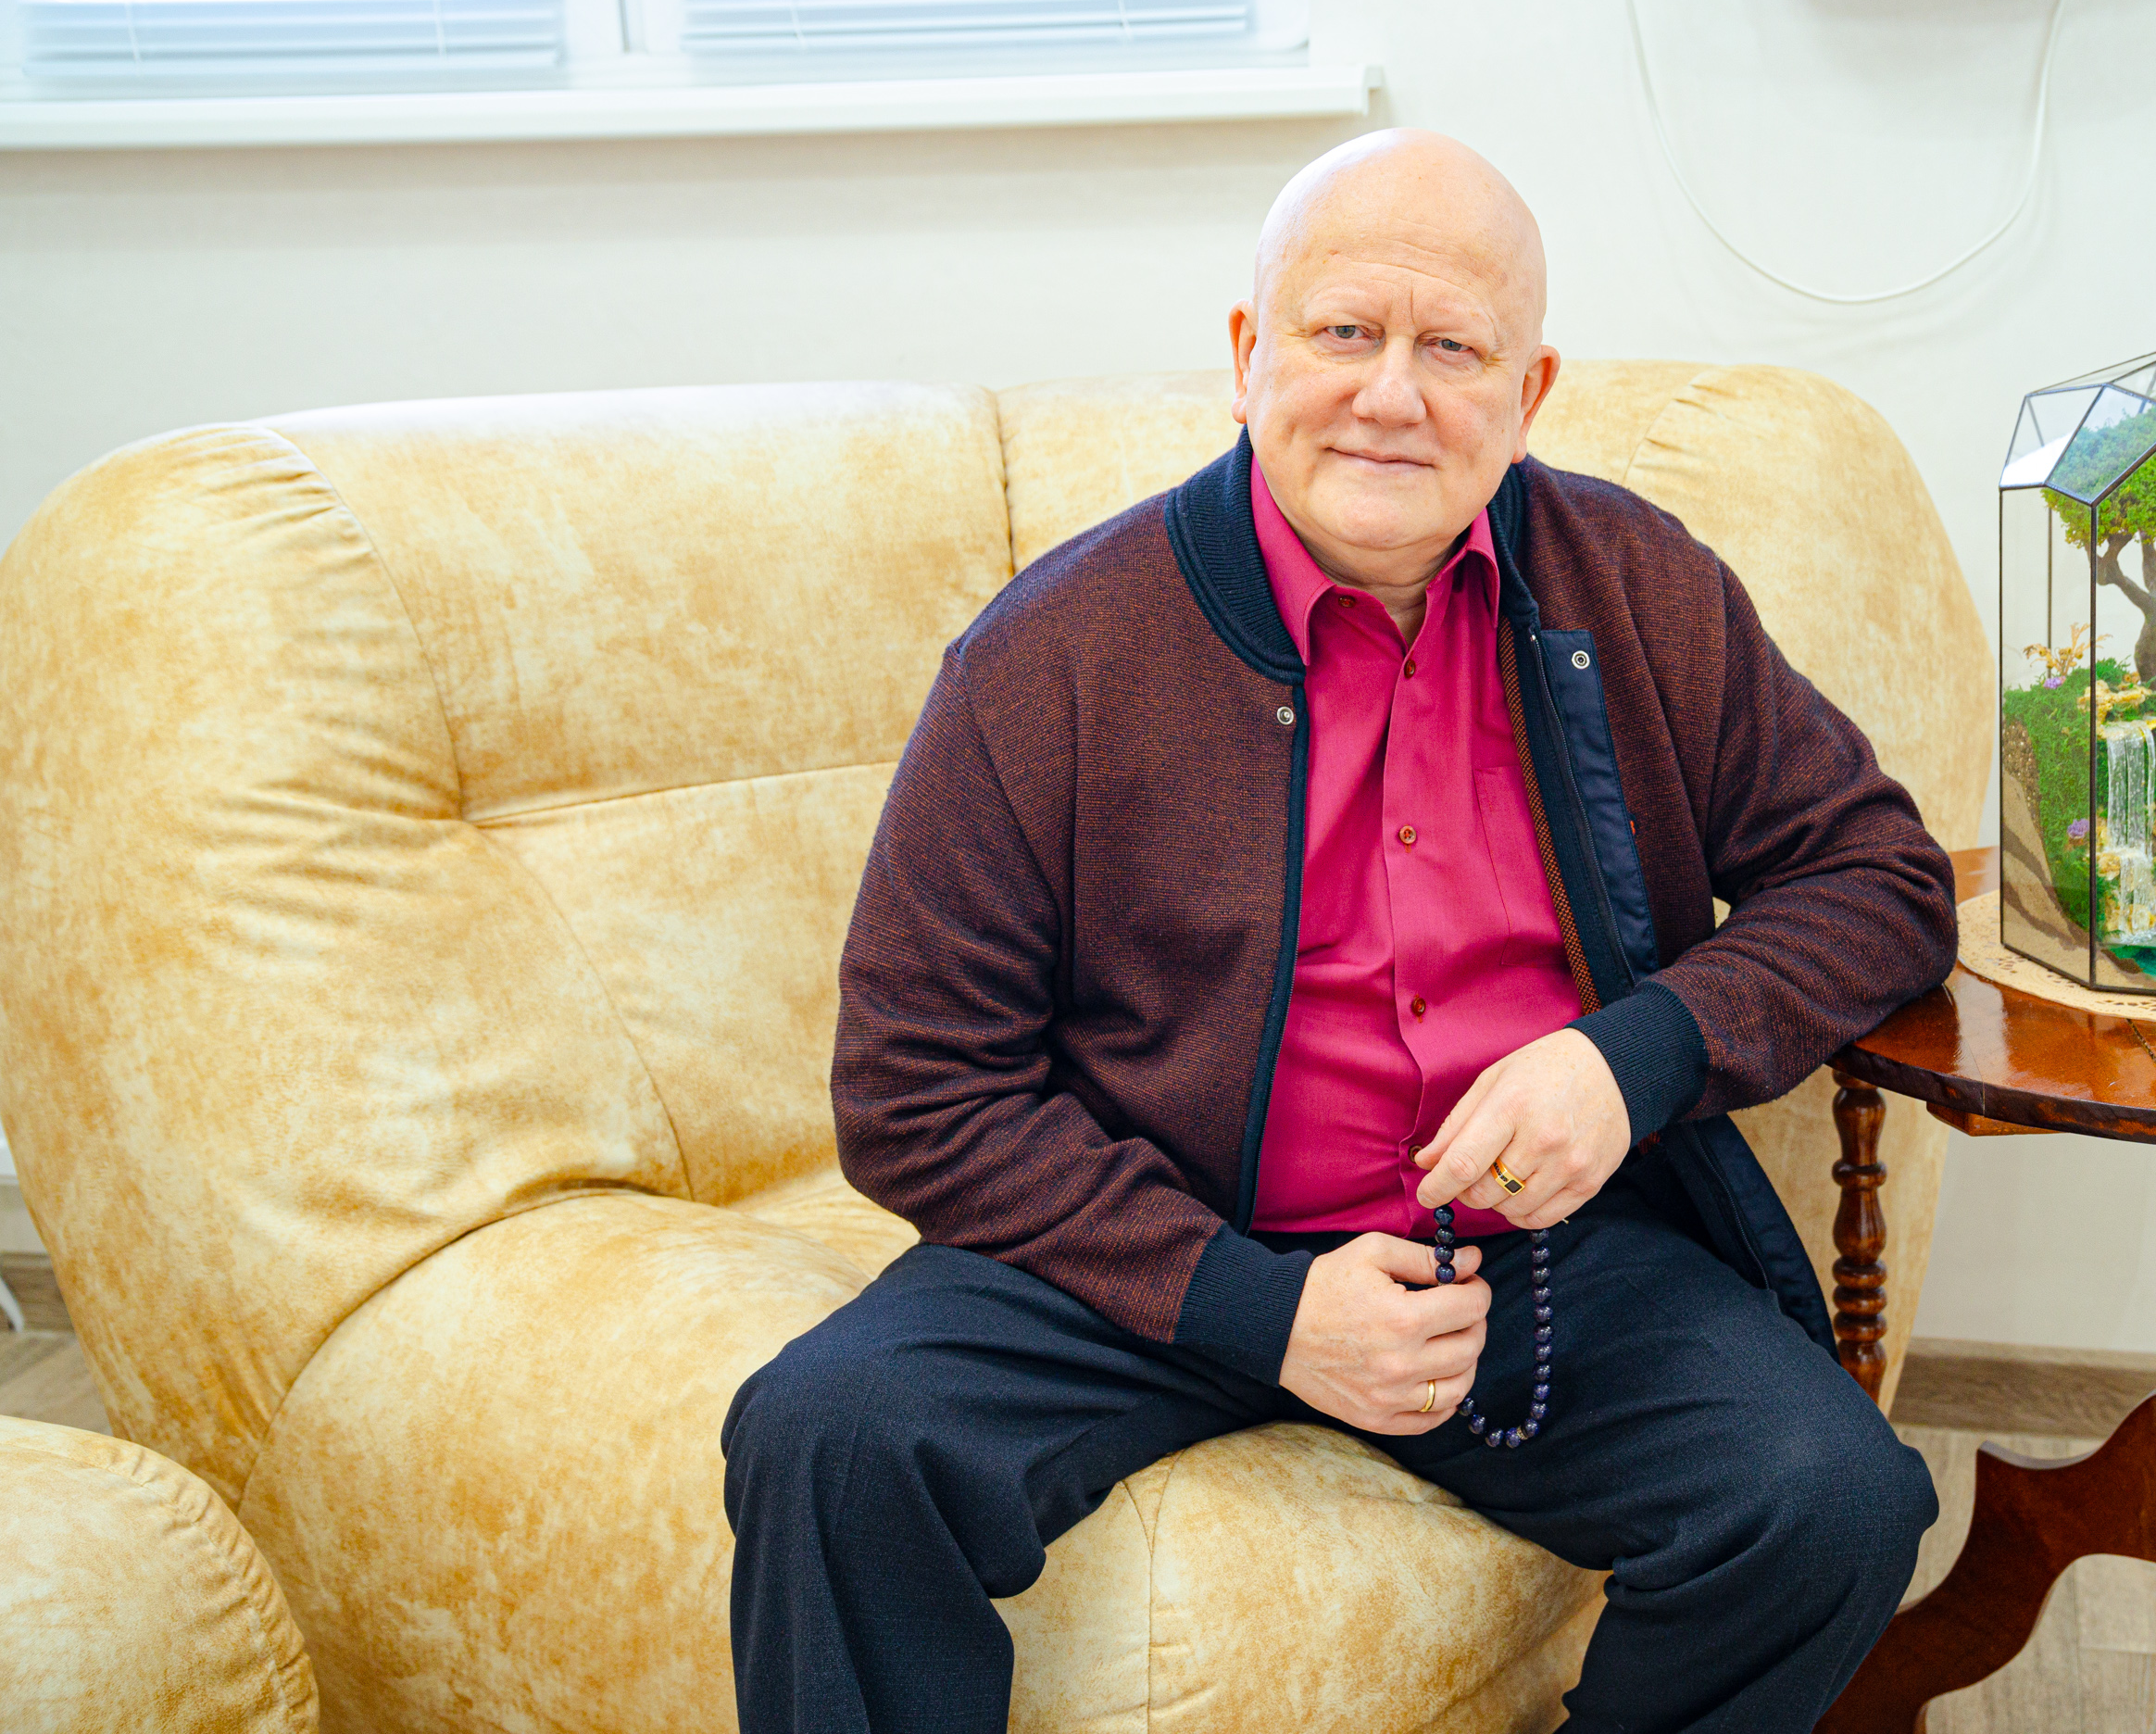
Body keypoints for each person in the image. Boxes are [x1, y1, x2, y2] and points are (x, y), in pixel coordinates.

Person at [721, 129, 1955, 1734]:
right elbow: (913, 1089)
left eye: (1454, 349)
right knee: (829, 1436)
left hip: (1536, 1264)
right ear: (1249, 355)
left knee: (1833, 1501)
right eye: (1344, 332)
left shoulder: (1637, 587)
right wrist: (1264, 1313)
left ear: (1530, 392)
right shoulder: (1053, 654)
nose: (1391, 395)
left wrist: (1627, 1062)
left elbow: (1878, 876)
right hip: (1154, 1241)